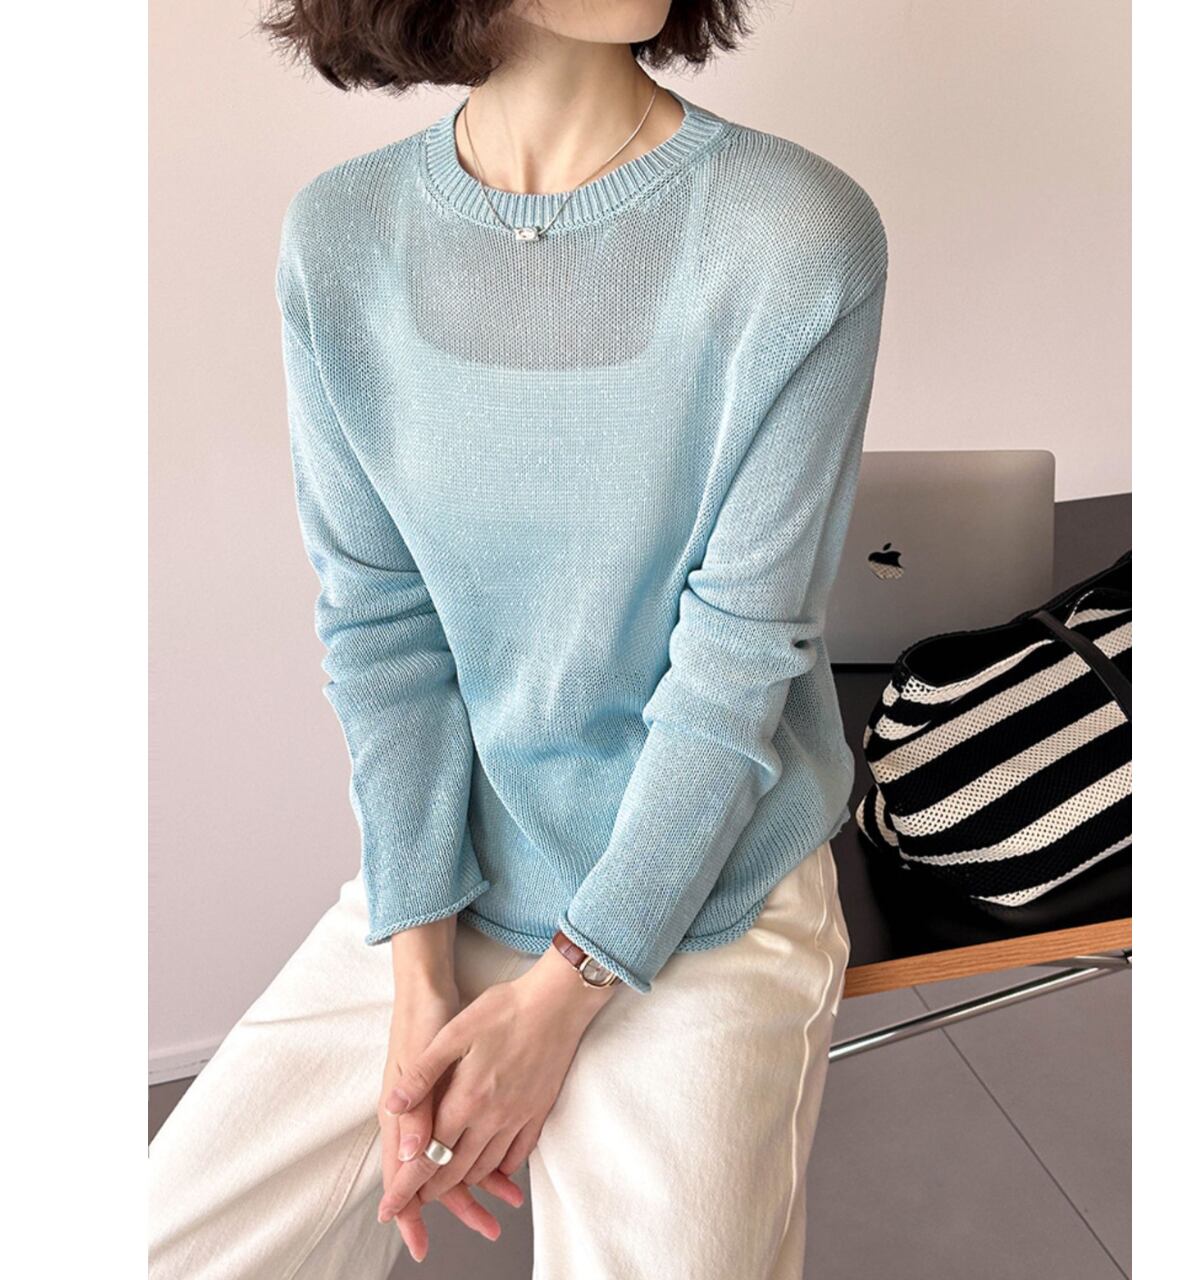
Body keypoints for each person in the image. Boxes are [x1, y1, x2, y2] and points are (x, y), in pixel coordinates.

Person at [149, 1, 886, 1275]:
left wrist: (566, 988)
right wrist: (419, 967)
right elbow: (381, 627)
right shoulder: (340, 237)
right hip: (457, 870)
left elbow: (735, 664)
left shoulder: (795, 235)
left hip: (701, 885)